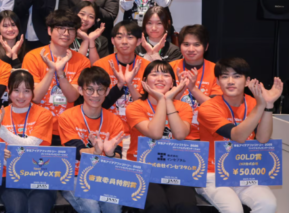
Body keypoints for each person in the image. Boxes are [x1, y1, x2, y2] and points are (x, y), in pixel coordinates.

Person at [195, 58, 283, 213]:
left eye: (236, 76)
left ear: (247, 81)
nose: (230, 81)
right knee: (233, 209)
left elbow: (263, 139)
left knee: (268, 204)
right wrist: (261, 105)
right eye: (224, 76)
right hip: (213, 173)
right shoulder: (208, 108)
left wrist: (268, 105)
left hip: (243, 170)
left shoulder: (254, 103)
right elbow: (238, 136)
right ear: (217, 81)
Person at [124, 61, 198, 213]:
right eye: (154, 74)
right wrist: (160, 99)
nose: (160, 78)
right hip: (143, 169)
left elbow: (180, 134)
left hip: (174, 167)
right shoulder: (135, 107)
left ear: (173, 83)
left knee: (185, 205)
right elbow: (155, 134)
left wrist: (167, 100)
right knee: (156, 206)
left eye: (165, 75)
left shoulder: (183, 107)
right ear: (144, 81)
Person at [58, 67, 128, 213]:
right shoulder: (67, 117)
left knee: (113, 207)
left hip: (103, 174)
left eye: (100, 90)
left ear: (107, 92)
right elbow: (77, 151)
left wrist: (109, 153)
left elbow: (117, 155)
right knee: (91, 207)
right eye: (89, 89)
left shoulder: (115, 121)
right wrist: (95, 151)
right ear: (80, 90)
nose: (95, 95)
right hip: (74, 174)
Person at [0, 69, 56, 213]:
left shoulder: (44, 114)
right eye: (16, 90)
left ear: (33, 92)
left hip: (40, 175)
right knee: (17, 209)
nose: (21, 96)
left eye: (27, 91)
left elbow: (30, 146)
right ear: (8, 91)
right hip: (9, 176)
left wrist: (2, 131)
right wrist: (2, 157)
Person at [21, 9, 91, 144]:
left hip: (66, 127)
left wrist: (60, 73)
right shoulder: (33, 57)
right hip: (36, 126)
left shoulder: (82, 61)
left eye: (71, 29)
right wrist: (51, 70)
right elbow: (35, 97)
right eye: (61, 28)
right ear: (49, 30)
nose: (66, 33)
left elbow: (73, 97)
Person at [170, 24, 220, 140]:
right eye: (186, 44)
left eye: (196, 44)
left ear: (206, 47)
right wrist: (181, 88)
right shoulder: (170, 68)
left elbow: (215, 107)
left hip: (206, 134)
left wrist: (193, 89)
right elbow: (163, 104)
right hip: (174, 133)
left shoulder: (216, 71)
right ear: (179, 46)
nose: (191, 49)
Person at [94, 21, 147, 121]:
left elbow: (147, 106)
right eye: (119, 37)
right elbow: (97, 102)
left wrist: (129, 84)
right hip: (107, 125)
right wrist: (120, 84)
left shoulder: (147, 66)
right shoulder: (100, 65)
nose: (124, 41)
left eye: (130, 37)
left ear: (139, 41)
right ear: (112, 41)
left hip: (138, 125)